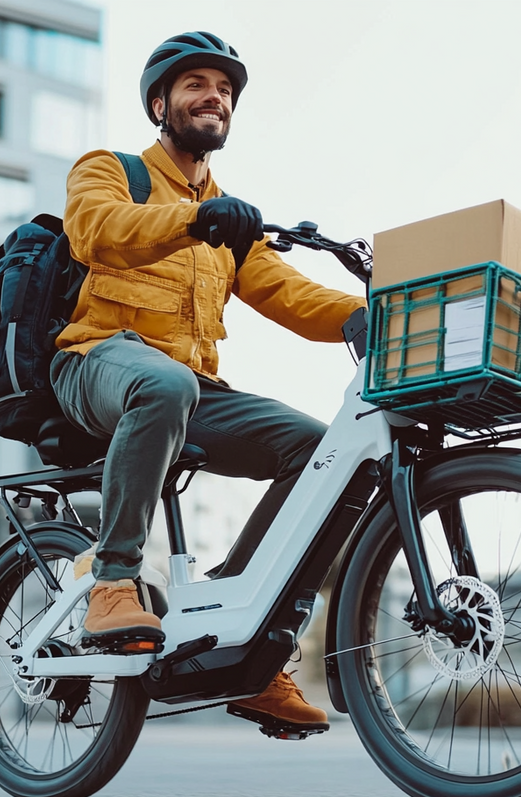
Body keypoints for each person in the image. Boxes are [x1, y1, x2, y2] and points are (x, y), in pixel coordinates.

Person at [51, 31, 365, 734]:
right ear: (160, 102)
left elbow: (289, 294)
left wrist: (369, 316)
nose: (214, 98)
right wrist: (194, 219)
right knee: (164, 385)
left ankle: (249, 645)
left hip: (187, 388)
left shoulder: (228, 217)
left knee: (324, 453)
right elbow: (97, 231)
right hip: (94, 362)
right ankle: (112, 581)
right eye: (196, 84)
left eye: (225, 90)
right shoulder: (111, 171)